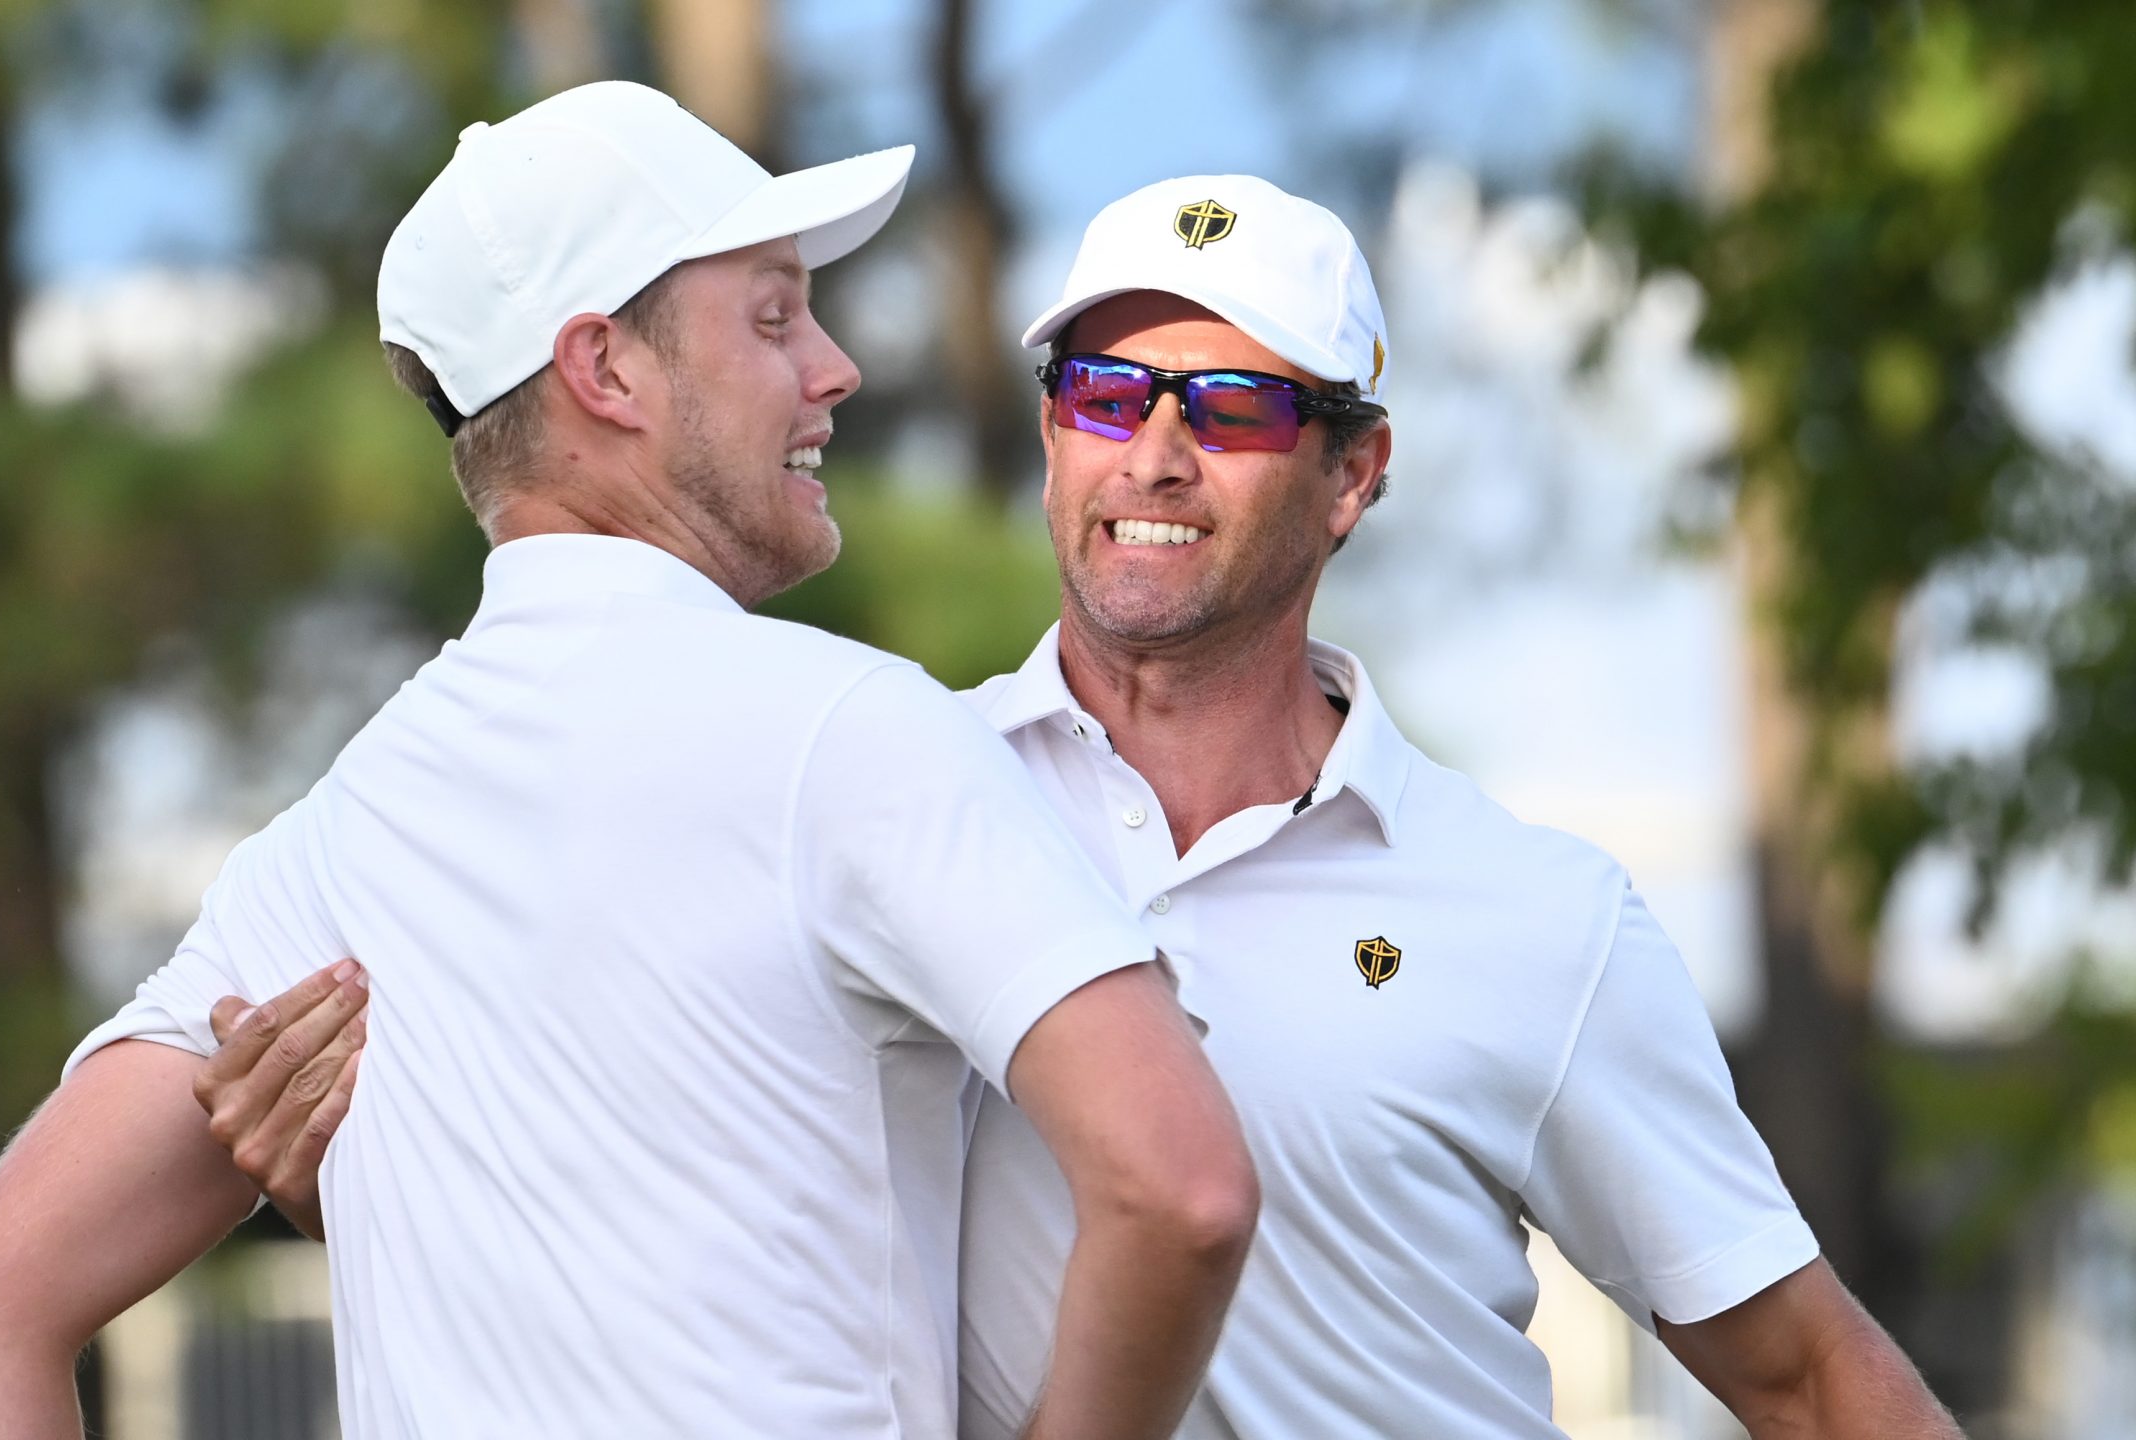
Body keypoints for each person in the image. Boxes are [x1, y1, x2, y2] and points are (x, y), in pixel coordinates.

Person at [205, 175, 1963, 1439]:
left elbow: (1804, 1379)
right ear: (1053, 433)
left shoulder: (1542, 918)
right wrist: (359, 1176)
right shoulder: (883, 791)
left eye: (1241, 404)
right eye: (1106, 392)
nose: (1157, 452)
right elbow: (638, 1210)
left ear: (1357, 472)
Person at [0, 85, 1259, 1440]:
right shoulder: (852, 731)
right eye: (774, 315)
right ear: (604, 370)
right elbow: (1181, 1190)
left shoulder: (332, 848)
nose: (833, 367)